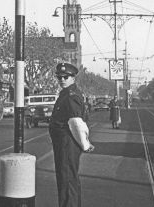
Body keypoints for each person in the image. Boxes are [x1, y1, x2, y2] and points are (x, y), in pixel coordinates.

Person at [49, 62, 94, 207]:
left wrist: (85, 144)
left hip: (67, 143)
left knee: (67, 180)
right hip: (64, 143)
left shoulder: (70, 96)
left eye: (66, 77)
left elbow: (77, 123)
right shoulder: (67, 93)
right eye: (59, 77)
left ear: (73, 78)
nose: (62, 79)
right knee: (67, 179)